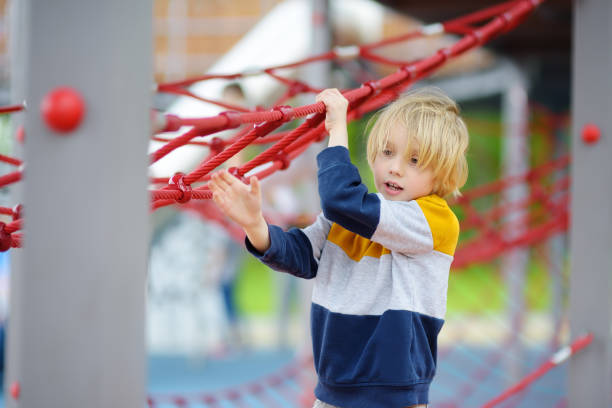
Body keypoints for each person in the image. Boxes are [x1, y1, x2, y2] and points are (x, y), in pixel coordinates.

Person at [209, 87, 469, 408]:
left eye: (414, 160)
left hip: (392, 394)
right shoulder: (351, 217)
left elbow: (340, 200)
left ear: (441, 172)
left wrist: (337, 129)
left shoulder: (433, 219)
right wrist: (254, 224)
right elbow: (300, 254)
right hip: (335, 388)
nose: (395, 167)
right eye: (387, 152)